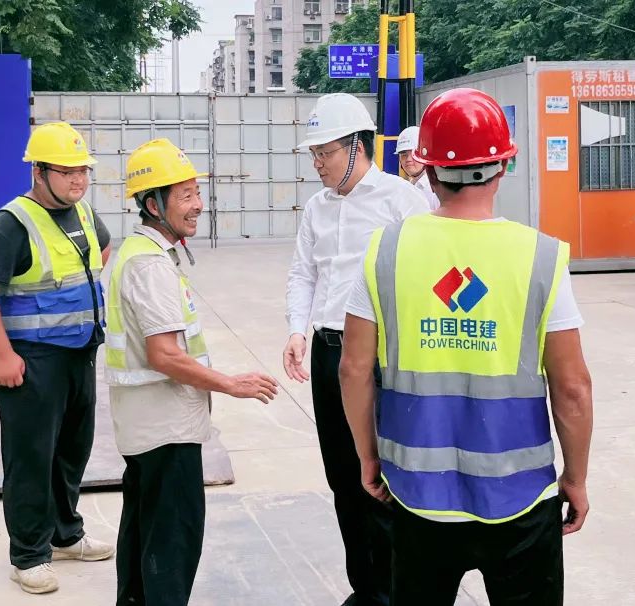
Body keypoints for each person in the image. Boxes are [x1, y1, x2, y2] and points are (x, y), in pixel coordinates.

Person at [339, 88, 593, 606]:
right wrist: (576, 477)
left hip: (416, 494)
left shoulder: (386, 250)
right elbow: (573, 388)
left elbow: (353, 369)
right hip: (520, 496)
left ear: (429, 171)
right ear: (504, 166)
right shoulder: (540, 257)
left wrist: (368, 457)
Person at [105, 138, 279, 605]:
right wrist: (231, 384)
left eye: (197, 192)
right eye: (185, 195)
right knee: (170, 547)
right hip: (165, 430)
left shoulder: (143, 252)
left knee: (143, 538)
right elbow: (164, 355)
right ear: (153, 204)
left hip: (147, 426)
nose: (198, 204)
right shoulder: (149, 264)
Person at [282, 93, 428, 606]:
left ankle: (393, 591)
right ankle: (364, 588)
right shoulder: (316, 208)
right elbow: (303, 273)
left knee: (382, 477)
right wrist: (297, 330)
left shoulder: (400, 201)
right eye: (314, 154)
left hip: (380, 358)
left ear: (357, 146)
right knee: (343, 476)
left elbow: (425, 276)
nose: (318, 163)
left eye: (325, 152)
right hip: (328, 354)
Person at [0, 121, 114, 594]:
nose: (78, 179)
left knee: (71, 451)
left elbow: (103, 250)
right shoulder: (11, 224)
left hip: (79, 353)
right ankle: (29, 555)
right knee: (31, 457)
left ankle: (65, 535)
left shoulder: (82, 212)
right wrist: (2, 354)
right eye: (67, 172)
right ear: (39, 172)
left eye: (82, 170)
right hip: (31, 360)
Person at [395, 125, 440, 210]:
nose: (408, 159)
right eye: (404, 155)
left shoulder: (436, 189)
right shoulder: (407, 186)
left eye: (414, 154)